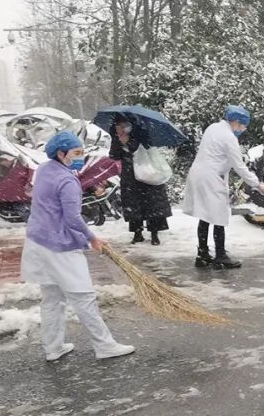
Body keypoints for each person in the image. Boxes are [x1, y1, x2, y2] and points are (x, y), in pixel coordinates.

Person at [21, 131, 135, 363]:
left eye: (82, 152)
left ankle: (53, 348)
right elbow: (72, 218)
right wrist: (92, 238)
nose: (81, 157)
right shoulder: (67, 180)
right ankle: (105, 346)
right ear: (61, 153)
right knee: (83, 296)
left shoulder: (44, 169)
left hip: (36, 240)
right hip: (59, 245)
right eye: (76, 153)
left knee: (52, 297)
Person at [183, 105, 264, 269]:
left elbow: (217, 154)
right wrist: (258, 184)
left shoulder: (213, 128)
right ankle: (220, 256)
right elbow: (239, 168)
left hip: (198, 174)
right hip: (211, 178)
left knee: (205, 215)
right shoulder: (230, 137)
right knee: (218, 216)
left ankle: (202, 254)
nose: (243, 129)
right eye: (243, 126)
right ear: (236, 122)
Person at [109, 115, 172, 245]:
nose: (121, 129)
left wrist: (129, 143)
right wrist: (118, 141)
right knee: (134, 205)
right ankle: (137, 233)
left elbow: (146, 149)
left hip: (147, 174)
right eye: (118, 126)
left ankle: (154, 234)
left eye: (124, 125)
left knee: (152, 205)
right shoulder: (117, 137)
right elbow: (113, 155)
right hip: (130, 176)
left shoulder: (142, 133)